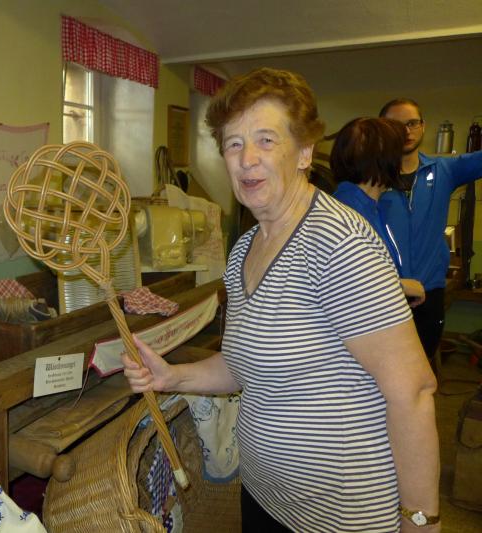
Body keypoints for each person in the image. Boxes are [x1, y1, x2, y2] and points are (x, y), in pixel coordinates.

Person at [122, 68, 440, 532]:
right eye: (233, 144)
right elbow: (245, 364)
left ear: (304, 152)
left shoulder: (338, 243)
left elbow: (412, 390)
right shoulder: (244, 250)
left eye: (266, 140)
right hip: (265, 498)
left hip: (338, 516)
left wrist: (420, 519)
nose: (247, 158)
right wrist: (171, 376)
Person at [378, 98, 482, 360]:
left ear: (423, 126)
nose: (406, 131)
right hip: (381, 292)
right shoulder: (370, 179)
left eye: (412, 123)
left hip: (428, 294)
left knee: (421, 367)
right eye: (396, 125)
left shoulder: (443, 170)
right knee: (377, 371)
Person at [331, 117, 426, 307]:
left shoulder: (371, 207)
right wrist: (401, 286)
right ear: (384, 160)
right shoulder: (348, 215)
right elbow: (348, 284)